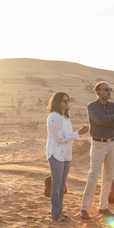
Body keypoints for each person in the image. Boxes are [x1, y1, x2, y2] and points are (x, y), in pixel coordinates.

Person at [79, 81, 114, 219]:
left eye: (109, 89)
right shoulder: (92, 106)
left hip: (112, 143)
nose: (108, 92)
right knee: (93, 176)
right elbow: (97, 118)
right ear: (97, 92)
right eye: (105, 89)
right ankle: (84, 208)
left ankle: (103, 207)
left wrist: (105, 121)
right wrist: (112, 118)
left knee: (108, 177)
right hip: (98, 144)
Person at [46, 92, 88, 221]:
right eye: (65, 100)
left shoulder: (66, 117)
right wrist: (78, 133)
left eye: (68, 100)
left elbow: (67, 136)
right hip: (56, 153)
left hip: (66, 154)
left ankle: (59, 211)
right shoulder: (54, 116)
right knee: (56, 183)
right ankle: (55, 214)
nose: (67, 103)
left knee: (62, 183)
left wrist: (77, 133)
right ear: (58, 102)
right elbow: (59, 138)